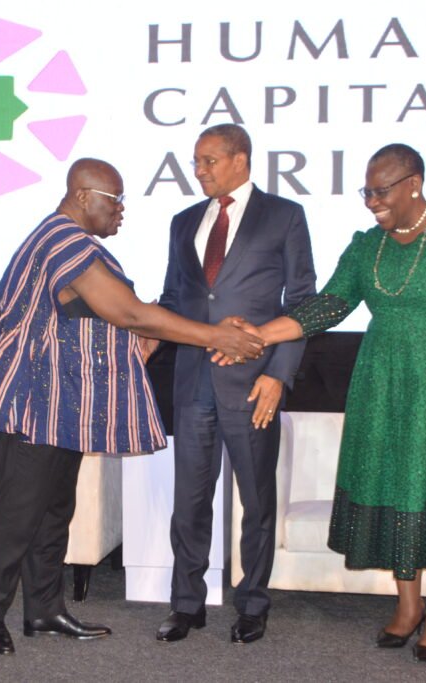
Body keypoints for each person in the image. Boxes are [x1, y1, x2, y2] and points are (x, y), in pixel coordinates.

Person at [0, 158, 263, 656]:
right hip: (35, 403)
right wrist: (215, 336)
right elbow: (128, 310)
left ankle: (43, 610)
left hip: (61, 405)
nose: (121, 212)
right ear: (82, 197)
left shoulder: (69, 241)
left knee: (54, 512)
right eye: (114, 201)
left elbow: (117, 314)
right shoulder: (64, 241)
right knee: (16, 515)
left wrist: (145, 335)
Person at [239, 143, 426, 662]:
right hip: (384, 387)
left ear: (414, 182)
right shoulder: (369, 247)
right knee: (394, 486)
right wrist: (260, 333)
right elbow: (327, 305)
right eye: (366, 191)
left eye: (381, 191)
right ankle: (407, 605)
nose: (371, 201)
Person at [156, 124, 316, 644]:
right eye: (196, 162)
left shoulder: (284, 215)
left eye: (208, 161)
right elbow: (175, 298)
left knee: (256, 500)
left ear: (240, 160)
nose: (198, 170)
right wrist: (147, 334)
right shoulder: (183, 222)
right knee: (190, 500)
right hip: (192, 380)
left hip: (253, 384)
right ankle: (187, 604)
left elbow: (304, 303)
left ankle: (252, 604)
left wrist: (279, 374)